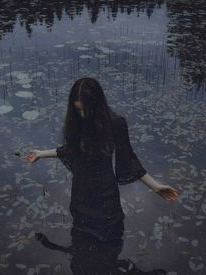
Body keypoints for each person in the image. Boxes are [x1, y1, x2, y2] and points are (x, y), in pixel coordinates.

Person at [25, 77, 178, 242]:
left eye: (85, 110)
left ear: (96, 104)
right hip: (81, 193)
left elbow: (129, 160)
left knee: (111, 237)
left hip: (106, 195)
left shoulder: (116, 124)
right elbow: (70, 150)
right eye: (77, 110)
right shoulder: (77, 122)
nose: (82, 115)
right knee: (80, 240)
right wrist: (41, 154)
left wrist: (155, 187)